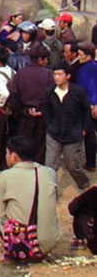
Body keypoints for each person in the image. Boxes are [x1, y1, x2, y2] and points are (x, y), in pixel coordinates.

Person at [0, 136, 61, 259]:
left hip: (24, 243)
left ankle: (10, 248)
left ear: (14, 156)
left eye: (7, 153)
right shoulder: (50, 173)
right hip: (49, 241)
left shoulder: (6, 176)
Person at [42, 62, 93, 190]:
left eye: (59, 74)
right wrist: (49, 125)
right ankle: (49, 191)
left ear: (68, 76)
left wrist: (84, 129)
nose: (56, 77)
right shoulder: (50, 92)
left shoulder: (78, 92)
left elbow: (86, 111)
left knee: (72, 165)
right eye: (54, 74)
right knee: (50, 166)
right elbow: (46, 109)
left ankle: (84, 183)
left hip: (73, 134)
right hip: (54, 133)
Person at [9, 46, 54, 164]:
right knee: (40, 147)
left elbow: (14, 96)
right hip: (42, 116)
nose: (47, 62)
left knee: (23, 147)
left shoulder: (21, 74)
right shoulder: (49, 75)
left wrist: (18, 112)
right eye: (45, 59)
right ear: (40, 59)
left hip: (25, 115)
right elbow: (52, 97)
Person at [76, 42, 97, 171]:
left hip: (89, 106)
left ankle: (90, 163)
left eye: (80, 55)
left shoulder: (84, 70)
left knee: (90, 135)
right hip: (92, 105)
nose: (79, 57)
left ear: (88, 56)